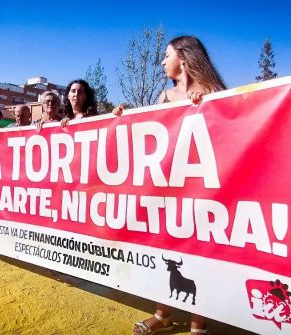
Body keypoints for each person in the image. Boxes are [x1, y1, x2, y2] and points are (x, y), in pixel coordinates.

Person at [117, 36, 225, 335]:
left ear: (185, 58)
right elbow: (144, 134)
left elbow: (229, 136)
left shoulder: (215, 93)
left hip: (203, 194)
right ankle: (162, 314)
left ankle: (197, 324)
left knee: (198, 256)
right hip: (166, 192)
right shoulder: (164, 96)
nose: (163, 62)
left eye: (167, 55)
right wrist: (122, 119)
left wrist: (208, 107)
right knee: (163, 250)